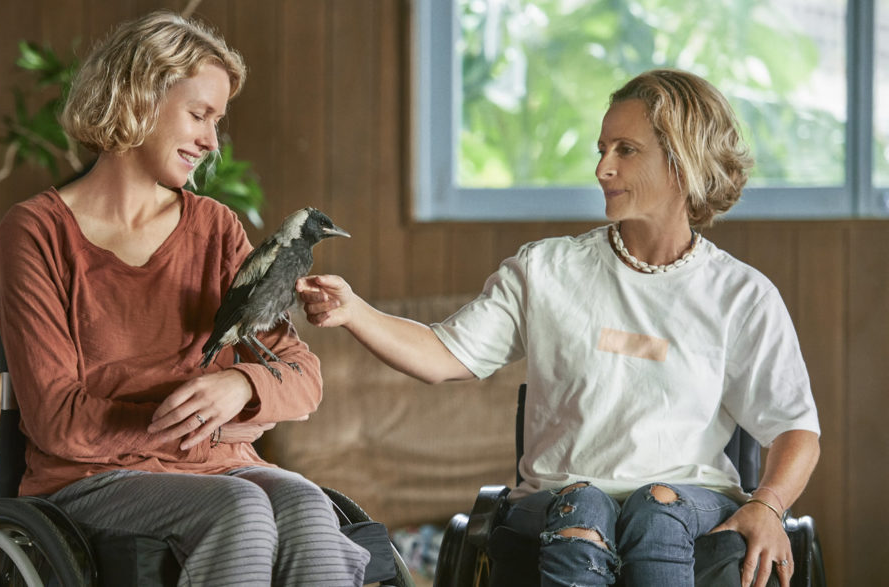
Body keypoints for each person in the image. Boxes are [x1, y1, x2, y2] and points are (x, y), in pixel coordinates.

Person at [298, 69, 820, 587]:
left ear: (682, 163)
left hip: (687, 501)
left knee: (656, 509)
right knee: (584, 504)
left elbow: (795, 428)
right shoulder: (546, 271)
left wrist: (769, 506)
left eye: (625, 150)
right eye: (601, 149)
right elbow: (443, 353)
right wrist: (354, 311)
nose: (602, 169)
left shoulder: (742, 295)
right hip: (560, 500)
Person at [0, 10, 370, 586]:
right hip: (93, 478)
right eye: (199, 115)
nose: (211, 141)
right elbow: (56, 421)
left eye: (216, 121)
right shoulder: (37, 231)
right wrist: (205, 424)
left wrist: (241, 385)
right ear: (137, 99)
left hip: (223, 468)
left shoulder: (217, 228)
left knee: (309, 509)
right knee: (239, 510)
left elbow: (302, 376)